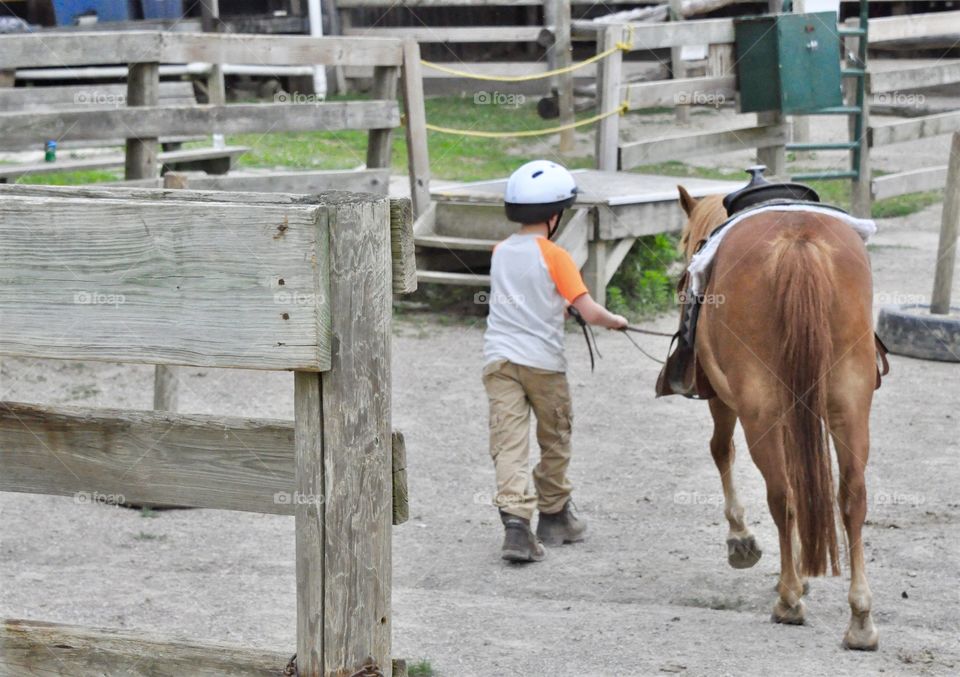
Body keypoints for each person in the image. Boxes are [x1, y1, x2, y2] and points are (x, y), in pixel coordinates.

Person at [482, 160, 628, 563]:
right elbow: (590, 309)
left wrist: (559, 307)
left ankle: (516, 526)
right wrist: (615, 321)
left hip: (499, 361)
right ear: (554, 215)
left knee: (509, 442)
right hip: (543, 365)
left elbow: (525, 299)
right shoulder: (557, 255)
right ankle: (555, 514)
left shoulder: (499, 252)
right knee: (555, 438)